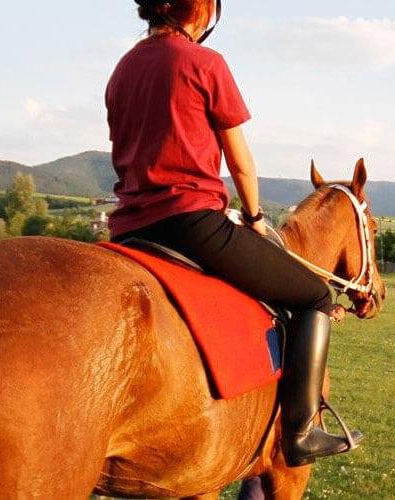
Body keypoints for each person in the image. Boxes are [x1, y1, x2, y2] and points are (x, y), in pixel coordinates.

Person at [105, 0, 363, 466]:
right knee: (314, 297)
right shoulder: (205, 63)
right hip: (191, 222)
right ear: (201, 10)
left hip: (127, 230)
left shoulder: (122, 69)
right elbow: (240, 161)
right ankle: (302, 431)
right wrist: (255, 213)